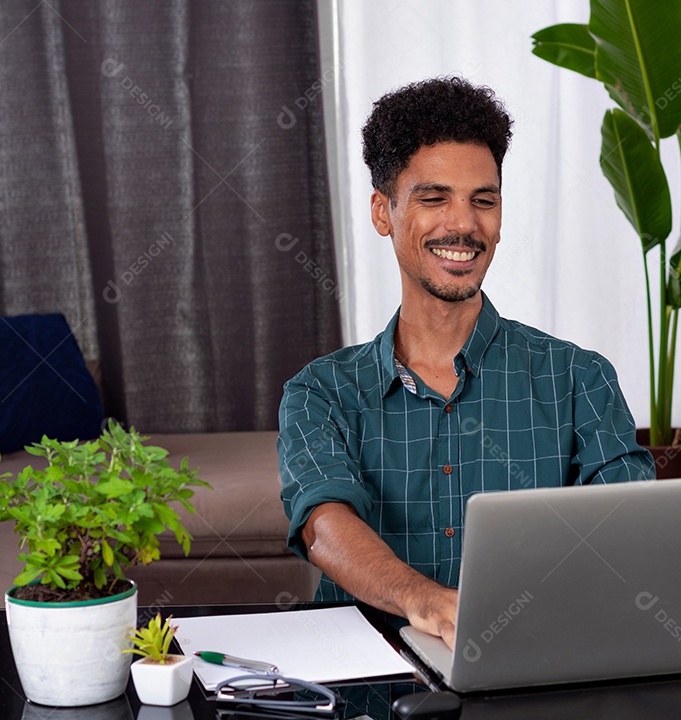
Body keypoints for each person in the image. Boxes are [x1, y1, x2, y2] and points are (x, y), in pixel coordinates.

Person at [278, 77, 654, 649]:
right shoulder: (319, 393)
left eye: (484, 200)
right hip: (370, 686)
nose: (463, 224)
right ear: (383, 212)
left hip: (531, 670)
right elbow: (323, 525)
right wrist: (425, 602)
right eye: (434, 199)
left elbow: (633, 527)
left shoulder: (579, 378)